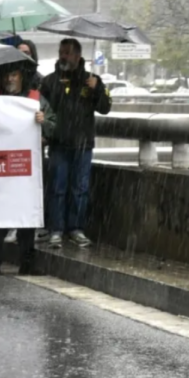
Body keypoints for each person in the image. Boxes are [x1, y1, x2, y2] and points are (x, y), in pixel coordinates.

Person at [39, 38, 112, 249]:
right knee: (57, 188)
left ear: (78, 57)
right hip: (58, 145)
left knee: (80, 189)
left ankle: (76, 228)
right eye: (61, 52)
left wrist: (97, 89)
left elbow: (105, 107)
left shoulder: (91, 81)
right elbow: (41, 110)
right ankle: (56, 229)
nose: (63, 56)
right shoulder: (49, 82)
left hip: (83, 145)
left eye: (68, 53)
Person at [0, 62, 56, 276]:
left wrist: (45, 123)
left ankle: (27, 262)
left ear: (21, 77)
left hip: (27, 169)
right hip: (1, 167)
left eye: (14, 75)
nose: (10, 79)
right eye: (7, 75)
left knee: (27, 217)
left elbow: (54, 126)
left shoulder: (36, 99)